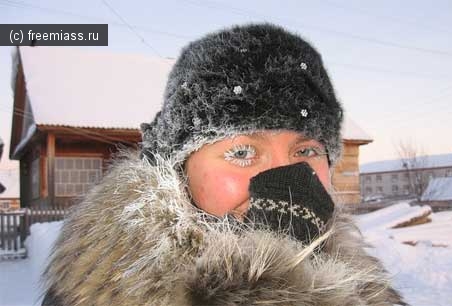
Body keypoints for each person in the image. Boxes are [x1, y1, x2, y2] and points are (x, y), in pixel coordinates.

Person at [42, 23, 406, 306]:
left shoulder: (366, 286)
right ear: (179, 171)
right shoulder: (96, 292)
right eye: (243, 153)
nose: (290, 183)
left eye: (306, 152)